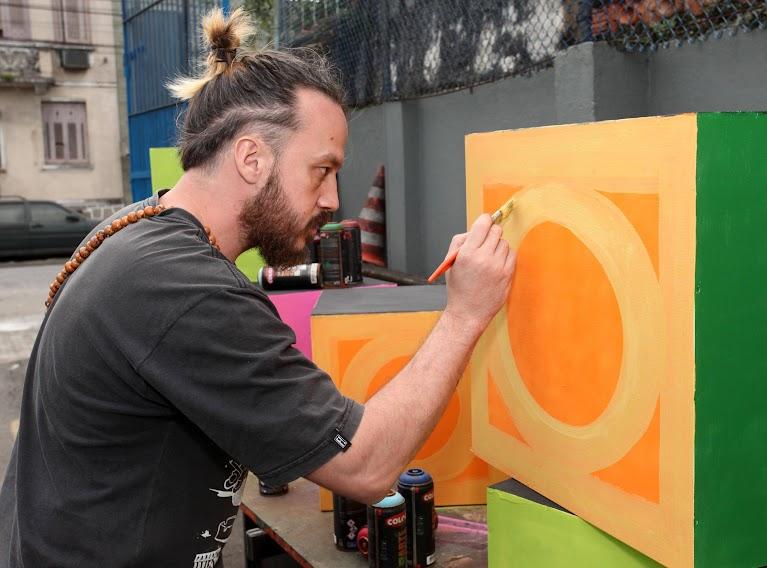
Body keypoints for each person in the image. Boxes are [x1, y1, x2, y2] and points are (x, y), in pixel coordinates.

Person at [0, 8, 515, 567]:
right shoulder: (182, 288)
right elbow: (365, 466)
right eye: (322, 169)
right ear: (251, 157)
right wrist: (465, 313)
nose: (332, 200)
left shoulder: (138, 232)